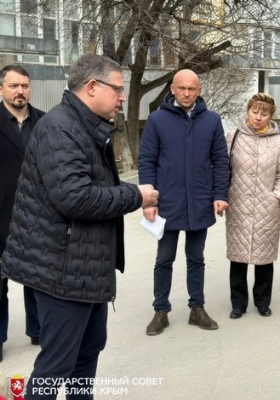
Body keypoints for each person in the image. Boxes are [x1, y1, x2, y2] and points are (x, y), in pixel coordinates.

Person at [1, 54, 159, 399]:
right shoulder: (59, 128)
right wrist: (136, 195)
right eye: (117, 89)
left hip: (84, 269)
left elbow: (88, 189)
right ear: (92, 87)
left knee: (87, 354)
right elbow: (76, 198)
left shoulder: (85, 125)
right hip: (62, 272)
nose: (122, 97)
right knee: (55, 366)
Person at [139, 69, 229, 335]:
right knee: (164, 259)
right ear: (173, 89)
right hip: (167, 202)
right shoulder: (157, 120)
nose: (187, 93)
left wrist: (220, 194)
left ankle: (196, 308)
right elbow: (147, 161)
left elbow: (220, 161)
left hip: (200, 200)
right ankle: (160, 310)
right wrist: (149, 201)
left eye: (192, 88)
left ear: (199, 90)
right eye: (182, 88)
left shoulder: (212, 121)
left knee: (196, 258)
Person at [226, 93, 280, 319]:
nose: (258, 117)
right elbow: (222, 168)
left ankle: (263, 302)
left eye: (263, 114)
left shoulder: (278, 142)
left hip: (267, 208)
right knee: (238, 258)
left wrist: (276, 198)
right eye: (254, 112)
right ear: (248, 111)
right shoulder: (233, 137)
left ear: (270, 116)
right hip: (238, 206)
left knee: (264, 259)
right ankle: (238, 304)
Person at [0, 65, 43, 362]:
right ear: (1, 88)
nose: (20, 91)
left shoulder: (44, 122)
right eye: (14, 85)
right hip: (1, 214)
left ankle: (39, 330)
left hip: (37, 214)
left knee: (37, 277)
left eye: (25, 86)